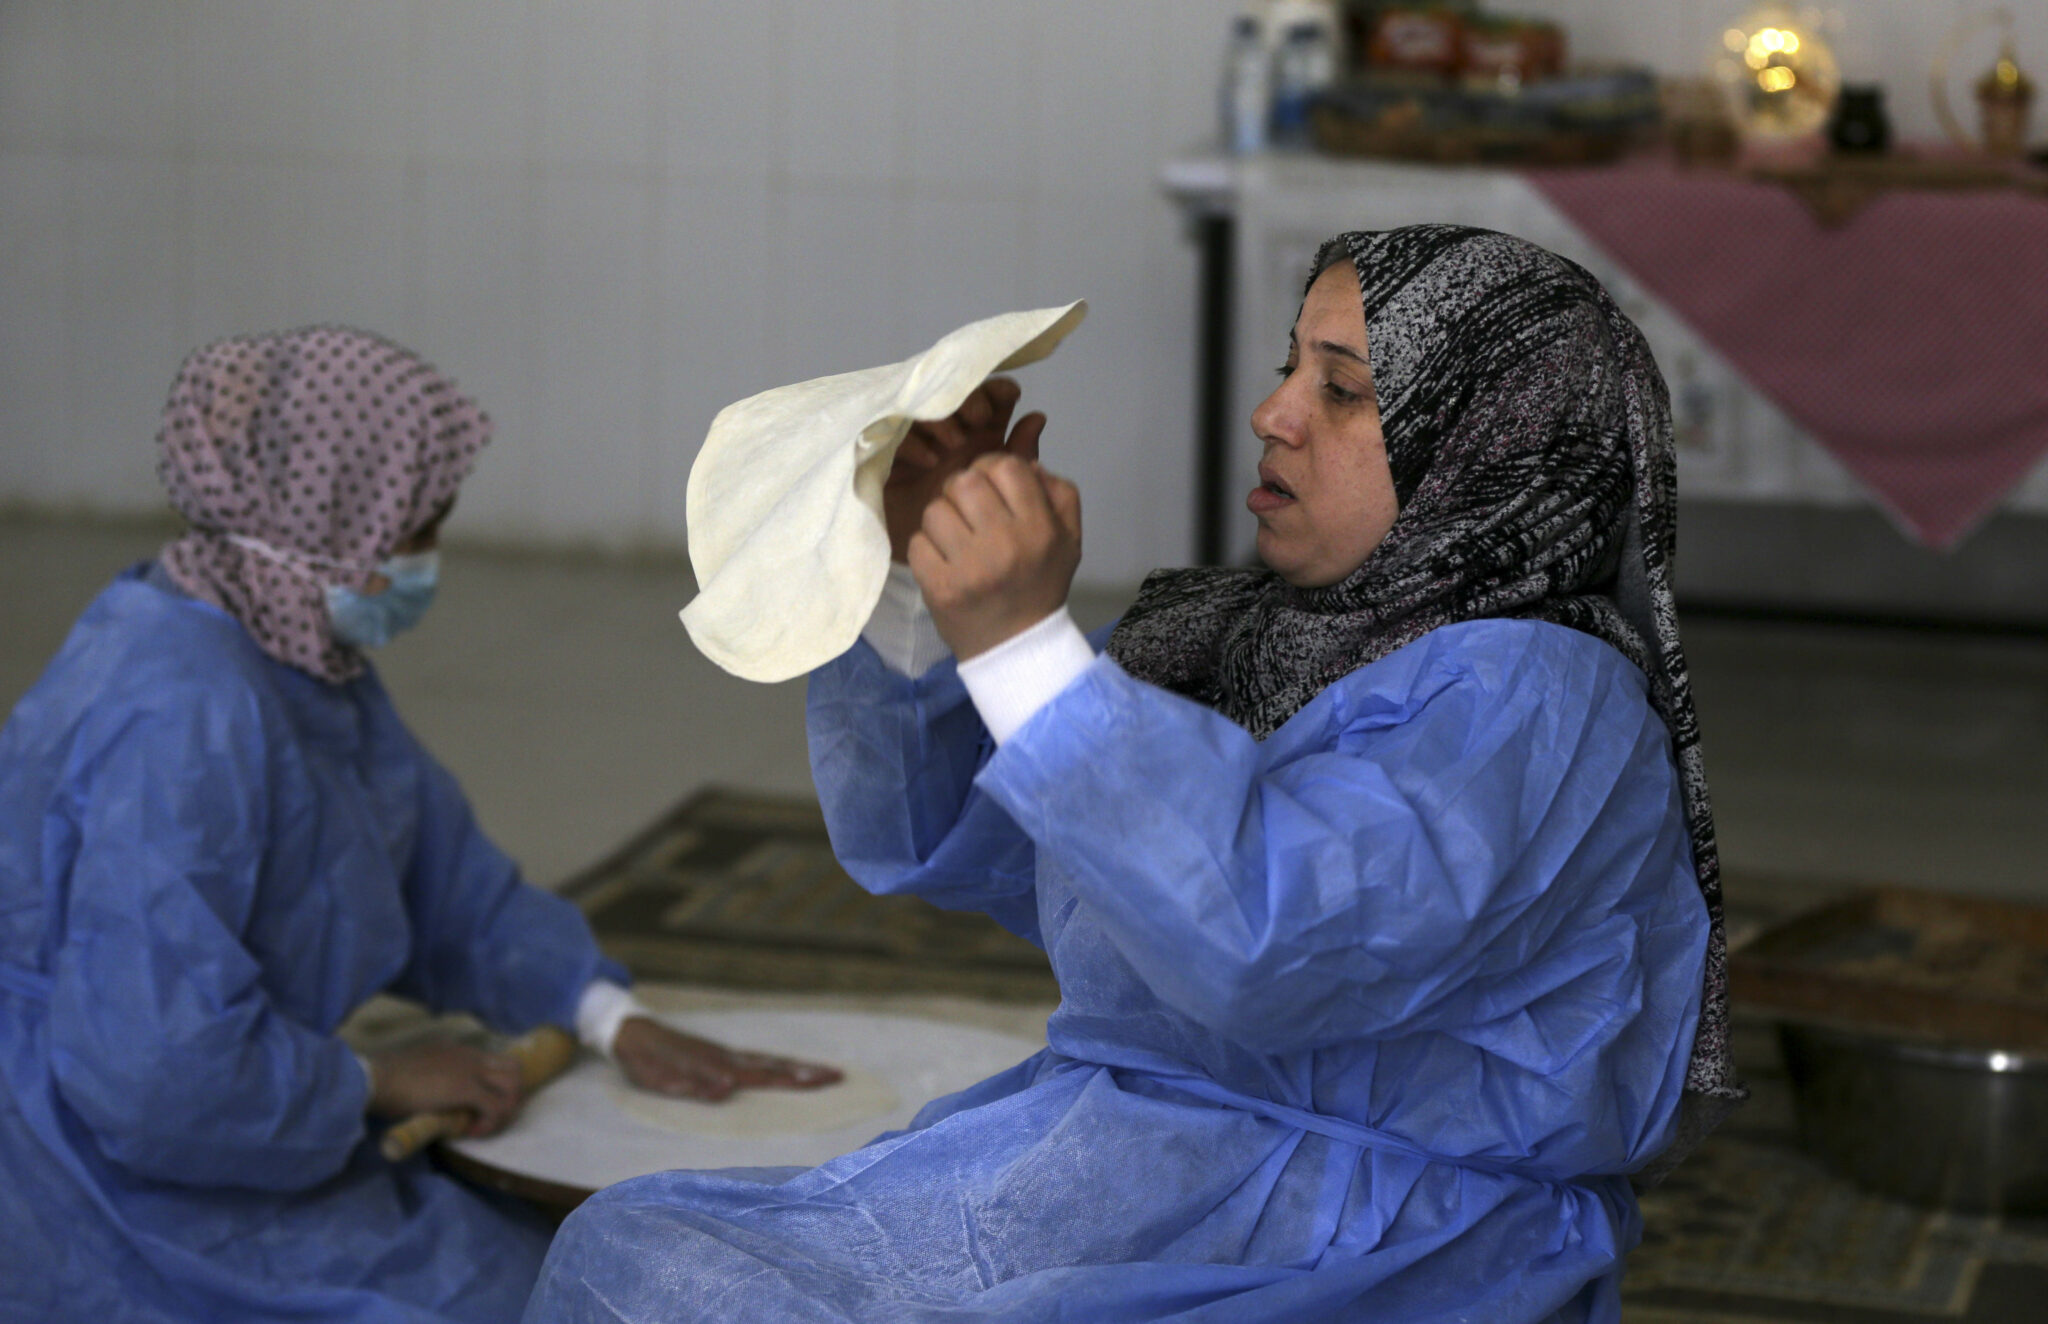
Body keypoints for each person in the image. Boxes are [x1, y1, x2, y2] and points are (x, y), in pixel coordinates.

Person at [522, 226, 1742, 1323]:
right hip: (1146, 1174)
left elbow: (1271, 942)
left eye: (1345, 391)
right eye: (1287, 367)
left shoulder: (1534, 695)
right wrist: (919, 588)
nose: (1273, 414)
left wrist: (1025, 648)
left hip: (1367, 1250)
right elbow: (960, 837)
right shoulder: (1248, 635)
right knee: (640, 1257)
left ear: (1488, 446)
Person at [0, 326, 839, 1324]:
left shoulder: (286, 653)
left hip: (235, 1114)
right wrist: (375, 1078)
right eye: (417, 530)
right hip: (100, 1182)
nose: (427, 559)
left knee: (576, 1263)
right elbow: (150, 1072)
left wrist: (603, 1016)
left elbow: (434, 882)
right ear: (330, 522)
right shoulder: (179, 713)